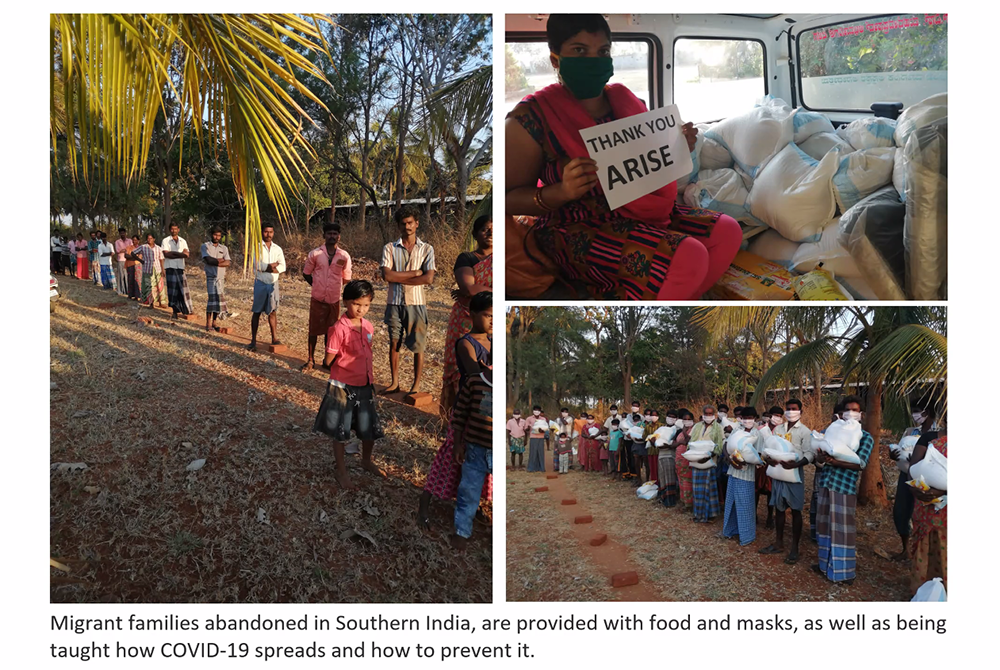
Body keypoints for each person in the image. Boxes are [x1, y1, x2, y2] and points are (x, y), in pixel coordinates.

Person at [505, 14, 742, 301]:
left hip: (639, 206)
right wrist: (561, 191)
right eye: (580, 50)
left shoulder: (628, 102)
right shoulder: (530, 118)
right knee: (688, 255)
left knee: (727, 231)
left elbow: (649, 161)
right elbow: (509, 199)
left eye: (602, 51)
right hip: (573, 224)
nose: (594, 60)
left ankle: (676, 296)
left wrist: (679, 146)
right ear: (556, 59)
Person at [418, 292, 492, 530]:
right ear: (472, 314)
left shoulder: (495, 342)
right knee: (452, 457)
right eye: (487, 315)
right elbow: (475, 373)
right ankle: (425, 503)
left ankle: (473, 504)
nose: (492, 320)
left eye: (495, 316)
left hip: (486, 415)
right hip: (466, 409)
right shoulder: (465, 343)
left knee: (478, 462)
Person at [312, 279, 385, 490]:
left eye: (366, 305)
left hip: (365, 384)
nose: (361, 309)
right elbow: (328, 360)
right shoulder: (337, 329)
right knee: (340, 431)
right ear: (345, 302)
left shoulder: (368, 326)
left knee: (368, 425)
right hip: (343, 387)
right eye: (356, 304)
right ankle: (341, 470)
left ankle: (366, 460)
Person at [812, 396, 875, 585]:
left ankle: (844, 573)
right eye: (848, 410)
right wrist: (823, 458)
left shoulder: (865, 437)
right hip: (825, 483)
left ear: (861, 414)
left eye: (855, 410)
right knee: (824, 526)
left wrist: (835, 461)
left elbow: (860, 464)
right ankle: (824, 565)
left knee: (842, 529)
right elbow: (819, 456)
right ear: (841, 413)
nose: (851, 413)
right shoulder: (832, 431)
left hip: (844, 486)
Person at [380, 205, 436, 394]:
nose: (407, 227)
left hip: (417, 303)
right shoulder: (389, 247)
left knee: (418, 345)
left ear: (417, 224)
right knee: (394, 342)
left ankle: (416, 385)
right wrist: (414, 273)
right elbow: (387, 276)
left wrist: (398, 276)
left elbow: (428, 278)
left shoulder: (427, 249)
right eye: (403, 224)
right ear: (398, 226)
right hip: (394, 302)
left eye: (410, 223)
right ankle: (395, 383)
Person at [441, 214, 493, 411]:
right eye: (484, 229)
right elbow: (469, 288)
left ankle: (481, 415)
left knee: (487, 365)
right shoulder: (467, 257)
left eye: (493, 230)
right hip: (464, 318)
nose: (489, 233)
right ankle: (453, 418)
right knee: (458, 367)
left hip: (492, 319)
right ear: (475, 234)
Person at [760, 399, 813, 564]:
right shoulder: (778, 429)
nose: (791, 412)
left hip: (794, 475)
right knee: (779, 509)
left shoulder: (805, 431)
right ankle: (779, 542)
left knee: (796, 511)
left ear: (800, 412)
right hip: (778, 473)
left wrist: (796, 464)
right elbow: (770, 446)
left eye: (794, 409)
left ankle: (795, 548)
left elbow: (809, 454)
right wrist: (768, 460)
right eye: (788, 409)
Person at [450, 366, 494, 550]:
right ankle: (462, 532)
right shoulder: (474, 381)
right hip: (475, 448)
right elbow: (460, 415)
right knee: (468, 492)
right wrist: (458, 443)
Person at [889, 403, 939, 561]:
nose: (915, 415)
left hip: (931, 481)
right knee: (901, 512)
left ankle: (924, 555)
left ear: (928, 411)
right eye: (914, 412)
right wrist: (895, 455)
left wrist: (919, 460)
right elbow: (901, 448)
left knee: (924, 515)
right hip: (907, 476)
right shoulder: (910, 432)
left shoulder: (939, 433)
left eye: (918, 411)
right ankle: (906, 549)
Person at [302, 222, 352, 371]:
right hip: (317, 299)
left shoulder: (344, 256)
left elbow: (347, 277)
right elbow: (306, 273)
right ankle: (310, 360)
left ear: (339, 236)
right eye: (329, 233)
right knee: (313, 330)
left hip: (334, 300)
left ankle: (327, 360)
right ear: (324, 235)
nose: (332, 236)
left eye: (335, 234)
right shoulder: (315, 254)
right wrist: (317, 285)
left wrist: (335, 288)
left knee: (331, 331)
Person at [907, 427, 947, 594]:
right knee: (924, 546)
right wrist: (915, 490)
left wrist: (942, 491)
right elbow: (913, 468)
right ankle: (921, 592)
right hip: (925, 506)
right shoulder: (929, 440)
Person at [719, 406, 765, 546]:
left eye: (750, 418)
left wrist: (743, 461)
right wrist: (731, 460)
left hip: (747, 474)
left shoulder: (758, 435)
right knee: (731, 502)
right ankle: (730, 530)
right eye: (744, 418)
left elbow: (759, 455)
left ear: (755, 419)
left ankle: (746, 535)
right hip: (733, 472)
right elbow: (726, 446)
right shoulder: (737, 430)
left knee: (745, 505)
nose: (747, 421)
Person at [247, 225, 286, 352]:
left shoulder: (278, 249)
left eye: (270, 232)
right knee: (257, 312)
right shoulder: (256, 247)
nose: (268, 234)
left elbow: (283, 266)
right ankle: (253, 340)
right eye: (266, 232)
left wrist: (268, 267)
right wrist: (271, 267)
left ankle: (274, 338)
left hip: (273, 283)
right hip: (261, 282)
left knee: (273, 311)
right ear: (262, 232)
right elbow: (257, 264)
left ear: (273, 233)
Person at [201, 227, 232, 332]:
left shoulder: (224, 248)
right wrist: (220, 261)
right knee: (211, 299)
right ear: (211, 235)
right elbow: (208, 260)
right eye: (215, 235)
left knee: (218, 301)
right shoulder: (205, 246)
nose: (217, 237)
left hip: (220, 278)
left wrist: (216, 261)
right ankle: (208, 323)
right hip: (210, 277)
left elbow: (228, 262)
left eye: (219, 235)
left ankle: (214, 322)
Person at [134, 233, 167, 307]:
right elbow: (133, 253)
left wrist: (163, 269)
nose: (149, 240)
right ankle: (150, 302)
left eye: (151, 238)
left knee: (159, 286)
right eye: (148, 238)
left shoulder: (158, 248)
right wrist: (140, 260)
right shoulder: (143, 247)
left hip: (157, 269)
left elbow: (161, 259)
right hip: (147, 269)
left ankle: (162, 301)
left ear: (154, 239)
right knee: (149, 286)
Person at [656, 409, 680, 506]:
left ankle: (670, 500)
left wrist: (668, 445)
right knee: (662, 477)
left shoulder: (677, 430)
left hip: (671, 456)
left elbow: (676, 443)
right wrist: (655, 442)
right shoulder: (661, 429)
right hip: (661, 455)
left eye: (673, 417)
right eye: (669, 416)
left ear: (676, 419)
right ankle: (663, 497)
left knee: (671, 478)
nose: (671, 418)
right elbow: (654, 440)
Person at [673, 409, 695, 512]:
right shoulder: (679, 431)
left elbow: (688, 442)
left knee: (687, 482)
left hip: (688, 460)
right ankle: (683, 501)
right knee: (681, 480)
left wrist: (684, 432)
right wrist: (678, 443)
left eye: (689, 419)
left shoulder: (694, 430)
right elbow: (674, 443)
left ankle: (689, 504)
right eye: (685, 419)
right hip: (679, 459)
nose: (687, 421)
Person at [642, 409, 662, 485]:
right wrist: (649, 439)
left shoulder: (661, 426)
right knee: (652, 468)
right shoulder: (647, 427)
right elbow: (644, 436)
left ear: (658, 416)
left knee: (659, 468)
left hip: (659, 450)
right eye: (652, 415)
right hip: (650, 450)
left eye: (655, 415)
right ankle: (654, 483)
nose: (654, 417)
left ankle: (660, 483)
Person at [526, 406, 548, 473]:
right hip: (533, 437)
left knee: (540, 453)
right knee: (533, 453)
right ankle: (531, 468)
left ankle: (541, 468)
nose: (536, 411)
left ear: (540, 411)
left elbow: (546, 428)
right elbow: (526, 429)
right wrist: (529, 427)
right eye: (535, 410)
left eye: (538, 410)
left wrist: (543, 430)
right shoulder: (529, 418)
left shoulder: (543, 419)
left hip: (541, 437)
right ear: (533, 411)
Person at [124, 235, 142, 300]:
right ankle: (130, 295)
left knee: (137, 280)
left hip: (138, 266)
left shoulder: (140, 248)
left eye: (136, 240)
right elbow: (126, 256)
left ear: (138, 240)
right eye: (133, 240)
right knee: (130, 279)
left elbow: (140, 257)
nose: (134, 241)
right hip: (130, 265)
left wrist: (131, 257)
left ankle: (138, 296)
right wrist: (135, 257)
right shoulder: (128, 247)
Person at [114, 228, 131, 296]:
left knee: (127, 275)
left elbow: (131, 249)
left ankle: (127, 290)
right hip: (121, 260)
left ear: (125, 233)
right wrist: (126, 250)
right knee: (121, 276)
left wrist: (124, 250)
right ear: (119, 234)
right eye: (121, 233)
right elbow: (118, 251)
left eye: (123, 233)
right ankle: (120, 290)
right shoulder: (117, 242)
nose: (122, 234)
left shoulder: (129, 240)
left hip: (129, 260)